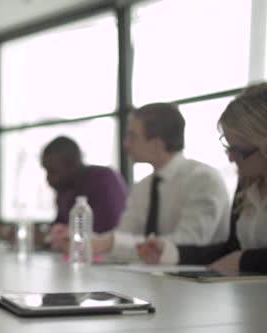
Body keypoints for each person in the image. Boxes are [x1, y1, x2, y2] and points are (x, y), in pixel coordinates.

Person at [64, 103, 230, 262]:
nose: (126, 144)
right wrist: (81, 239)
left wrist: (112, 243)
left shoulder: (203, 180)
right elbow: (125, 234)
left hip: (199, 286)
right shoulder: (143, 186)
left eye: (132, 136)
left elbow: (188, 243)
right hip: (154, 280)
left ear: (157, 144)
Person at [138, 84, 267, 274]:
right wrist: (172, 252)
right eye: (228, 147)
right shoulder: (248, 182)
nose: (231, 158)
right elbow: (231, 250)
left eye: (239, 151)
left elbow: (239, 257)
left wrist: (246, 261)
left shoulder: (205, 178)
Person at [42, 136, 128, 251]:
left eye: (53, 172)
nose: (48, 179)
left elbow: (106, 233)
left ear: (72, 165)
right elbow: (58, 229)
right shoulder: (65, 189)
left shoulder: (103, 180)